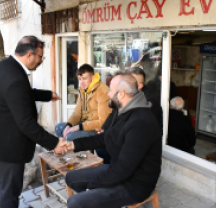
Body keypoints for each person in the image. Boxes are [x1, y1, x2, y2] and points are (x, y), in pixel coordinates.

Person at [0, 36, 67, 208]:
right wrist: (54, 143)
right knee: (10, 192)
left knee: (5, 187)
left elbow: (22, 94)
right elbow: (26, 123)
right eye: (40, 56)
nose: (41, 61)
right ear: (29, 55)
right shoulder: (15, 79)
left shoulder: (4, 67)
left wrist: (47, 95)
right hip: (7, 145)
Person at [63, 73, 162, 208]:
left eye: (111, 90)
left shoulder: (141, 122)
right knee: (71, 178)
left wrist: (93, 187)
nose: (108, 94)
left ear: (121, 94)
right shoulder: (125, 111)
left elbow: (123, 170)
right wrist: (73, 145)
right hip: (121, 172)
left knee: (75, 203)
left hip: (135, 185)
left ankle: (95, 200)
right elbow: (106, 137)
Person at [54, 64, 112, 141]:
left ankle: (75, 150)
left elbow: (103, 122)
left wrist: (78, 127)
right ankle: (69, 150)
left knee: (70, 136)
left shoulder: (102, 91)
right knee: (59, 128)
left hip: (99, 128)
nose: (81, 82)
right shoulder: (83, 90)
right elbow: (77, 113)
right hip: (87, 123)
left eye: (84, 78)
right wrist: (69, 125)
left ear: (93, 77)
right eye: (79, 79)